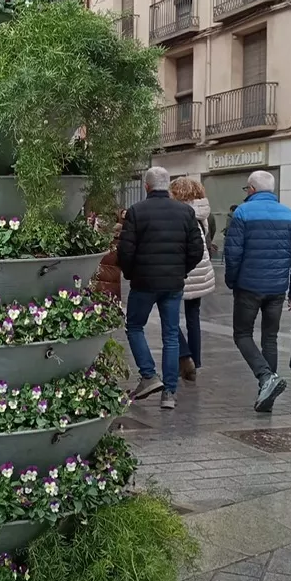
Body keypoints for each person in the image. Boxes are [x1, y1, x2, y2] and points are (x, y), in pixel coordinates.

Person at [117, 166, 205, 410]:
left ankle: (148, 375)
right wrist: (181, 270)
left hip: (144, 283)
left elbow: (125, 251)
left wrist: (131, 273)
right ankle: (169, 393)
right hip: (173, 283)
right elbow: (197, 249)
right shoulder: (186, 212)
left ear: (147, 186)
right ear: (167, 186)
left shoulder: (136, 212)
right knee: (171, 334)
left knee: (134, 326)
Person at [223, 170, 291, 412]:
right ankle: (267, 394)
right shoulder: (290, 215)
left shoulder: (242, 213)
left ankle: (265, 378)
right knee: (269, 338)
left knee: (242, 335)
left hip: (248, 287)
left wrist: (232, 281)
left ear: (251, 189)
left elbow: (233, 253)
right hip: (277, 289)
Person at [170, 177, 216, 381]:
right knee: (193, 317)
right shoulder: (203, 212)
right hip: (201, 268)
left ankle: (184, 354)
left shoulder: (177, 212)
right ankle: (195, 361)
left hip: (182, 268)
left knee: (168, 314)